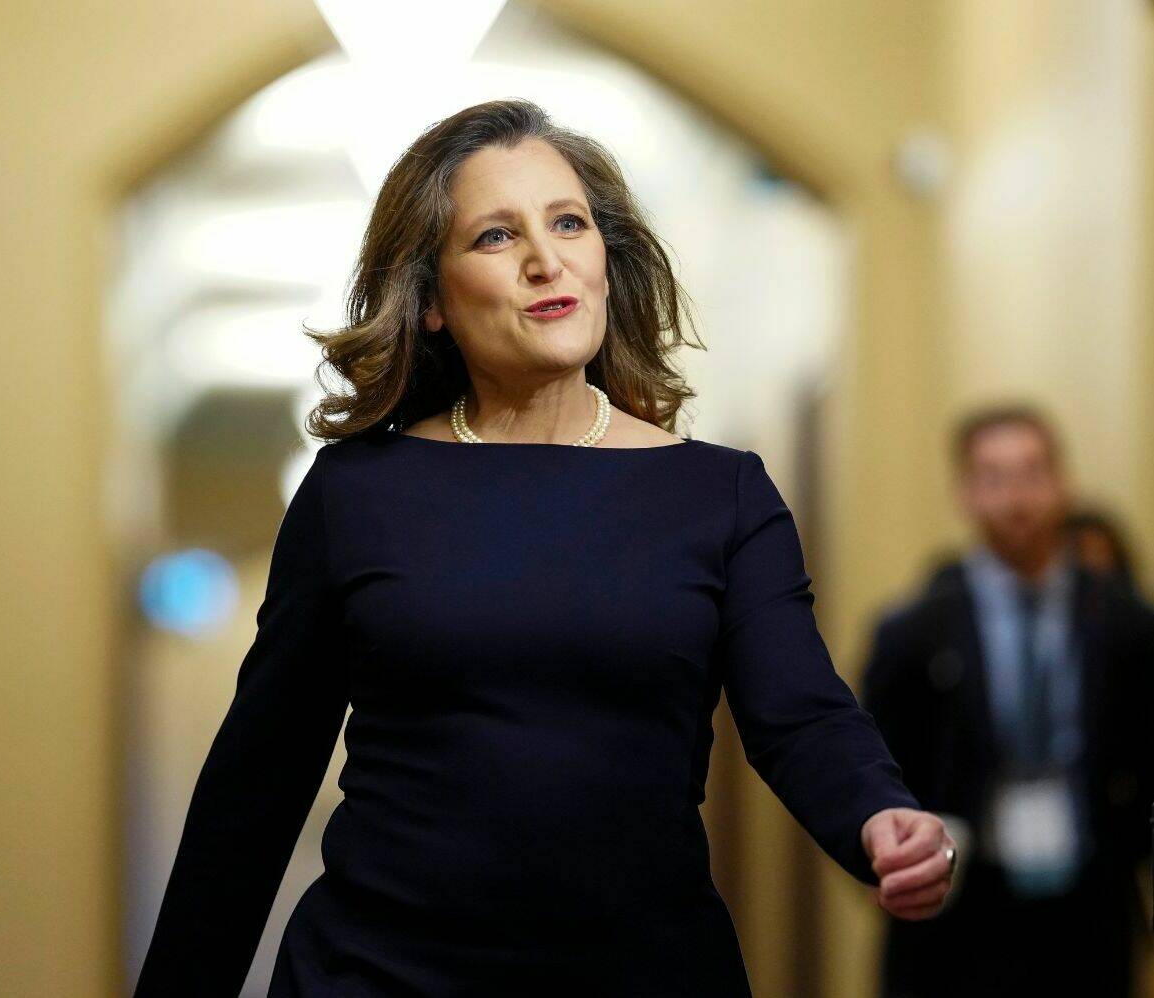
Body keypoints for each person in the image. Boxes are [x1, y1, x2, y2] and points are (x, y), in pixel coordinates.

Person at [135, 98, 955, 998]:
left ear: (606, 258)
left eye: (568, 223)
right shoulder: (355, 494)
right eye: (494, 236)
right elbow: (260, 775)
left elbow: (800, 715)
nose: (544, 259)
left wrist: (878, 815)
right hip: (380, 972)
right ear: (434, 300)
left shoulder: (717, 493)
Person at [861, 405, 1154, 998]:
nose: (1016, 496)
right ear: (965, 493)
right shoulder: (915, 631)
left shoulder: (1124, 620)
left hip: (1090, 904)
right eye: (993, 477)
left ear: (1063, 482)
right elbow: (874, 764)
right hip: (961, 908)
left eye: (1032, 472)